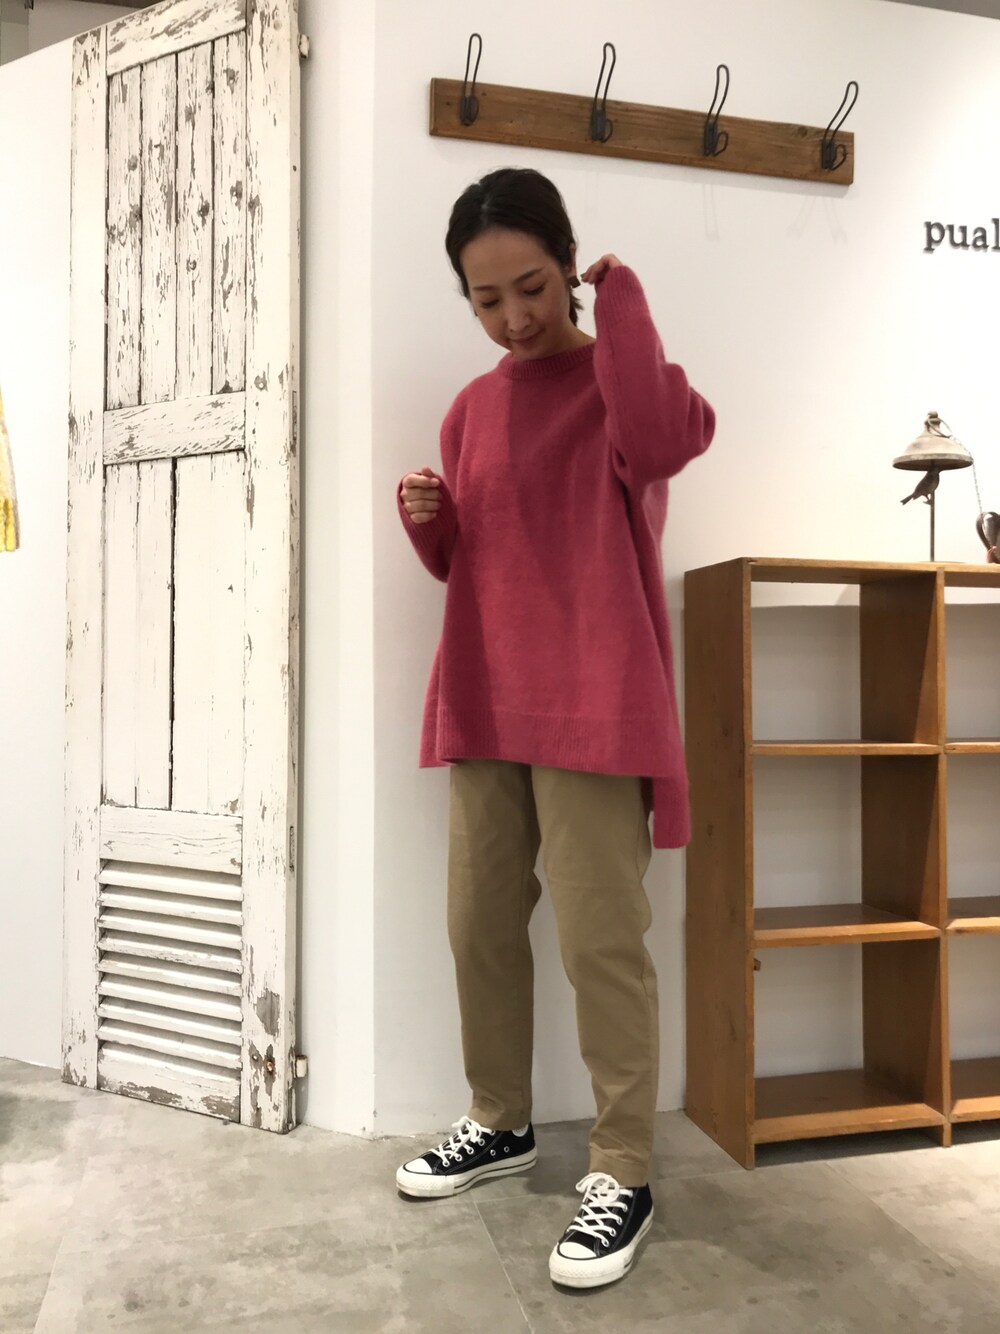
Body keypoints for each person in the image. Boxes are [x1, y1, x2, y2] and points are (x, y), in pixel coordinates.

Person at [394, 166, 715, 1290]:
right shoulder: (470, 410)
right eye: (486, 299)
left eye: (531, 286)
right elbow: (479, 563)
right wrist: (431, 525)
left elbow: (664, 442)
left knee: (599, 944)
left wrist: (623, 306)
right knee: (477, 925)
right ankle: (500, 1119)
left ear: (569, 266)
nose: (513, 317)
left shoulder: (625, 387)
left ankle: (624, 1166)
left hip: (597, 698)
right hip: (489, 694)